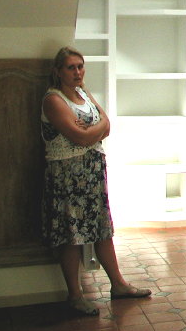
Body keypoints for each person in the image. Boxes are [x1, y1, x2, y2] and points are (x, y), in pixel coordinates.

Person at [41, 46, 150, 316]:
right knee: (71, 234)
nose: (78, 72)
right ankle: (75, 296)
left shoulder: (83, 93)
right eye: (71, 67)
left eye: (80, 66)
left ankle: (118, 285)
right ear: (58, 71)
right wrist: (92, 131)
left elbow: (107, 124)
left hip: (91, 172)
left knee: (102, 229)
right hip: (67, 177)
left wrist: (92, 130)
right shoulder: (53, 100)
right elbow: (79, 137)